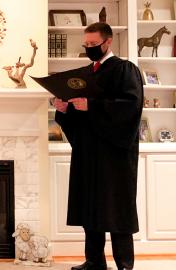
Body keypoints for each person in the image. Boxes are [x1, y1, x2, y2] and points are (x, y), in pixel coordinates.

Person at [53, 22, 143, 270]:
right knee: (90, 206)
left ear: (108, 42)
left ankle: (124, 264)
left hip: (114, 155)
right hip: (88, 152)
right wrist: (64, 110)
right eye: (86, 44)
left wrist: (91, 106)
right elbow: (78, 114)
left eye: (93, 44)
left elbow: (131, 107)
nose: (89, 48)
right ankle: (94, 261)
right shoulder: (84, 74)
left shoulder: (125, 70)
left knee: (116, 209)